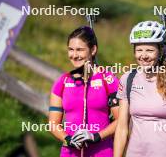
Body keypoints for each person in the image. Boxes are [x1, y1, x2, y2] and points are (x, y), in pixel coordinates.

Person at [114, 21, 166, 157]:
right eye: (139, 50)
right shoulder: (127, 79)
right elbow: (122, 128)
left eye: (150, 50)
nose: (143, 56)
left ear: (161, 51)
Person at [49, 26, 119, 157]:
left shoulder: (108, 80)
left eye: (80, 50)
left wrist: (95, 137)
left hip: (102, 152)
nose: (74, 55)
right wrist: (68, 140)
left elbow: (120, 121)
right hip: (69, 153)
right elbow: (53, 124)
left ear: (93, 50)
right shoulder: (62, 82)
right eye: (71, 50)